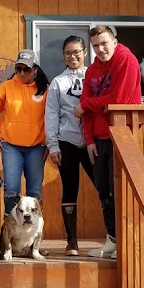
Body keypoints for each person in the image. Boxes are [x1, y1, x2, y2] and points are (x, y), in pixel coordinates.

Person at [74, 25, 142, 258]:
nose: (100, 49)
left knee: (121, 189)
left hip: (124, 135)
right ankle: (112, 240)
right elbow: (88, 107)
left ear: (114, 41)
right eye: (95, 46)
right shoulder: (92, 70)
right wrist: (89, 139)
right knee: (104, 191)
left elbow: (118, 100)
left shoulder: (127, 60)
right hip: (99, 140)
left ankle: (128, 242)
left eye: (104, 43)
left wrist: (86, 105)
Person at [45, 36, 96, 256]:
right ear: (63, 56)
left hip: (92, 141)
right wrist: (53, 145)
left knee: (103, 186)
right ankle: (72, 242)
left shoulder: (94, 77)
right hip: (67, 140)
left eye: (76, 52)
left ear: (85, 52)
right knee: (69, 188)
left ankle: (113, 237)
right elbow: (52, 114)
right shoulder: (58, 82)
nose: (73, 56)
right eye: (68, 53)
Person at [0, 49, 49, 215]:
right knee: (11, 188)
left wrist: (50, 140)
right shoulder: (6, 87)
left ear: (35, 69)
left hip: (37, 146)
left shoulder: (45, 89)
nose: (21, 72)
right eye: (18, 68)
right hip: (11, 146)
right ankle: (10, 226)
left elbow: (53, 117)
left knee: (34, 190)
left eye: (26, 69)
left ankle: (34, 233)